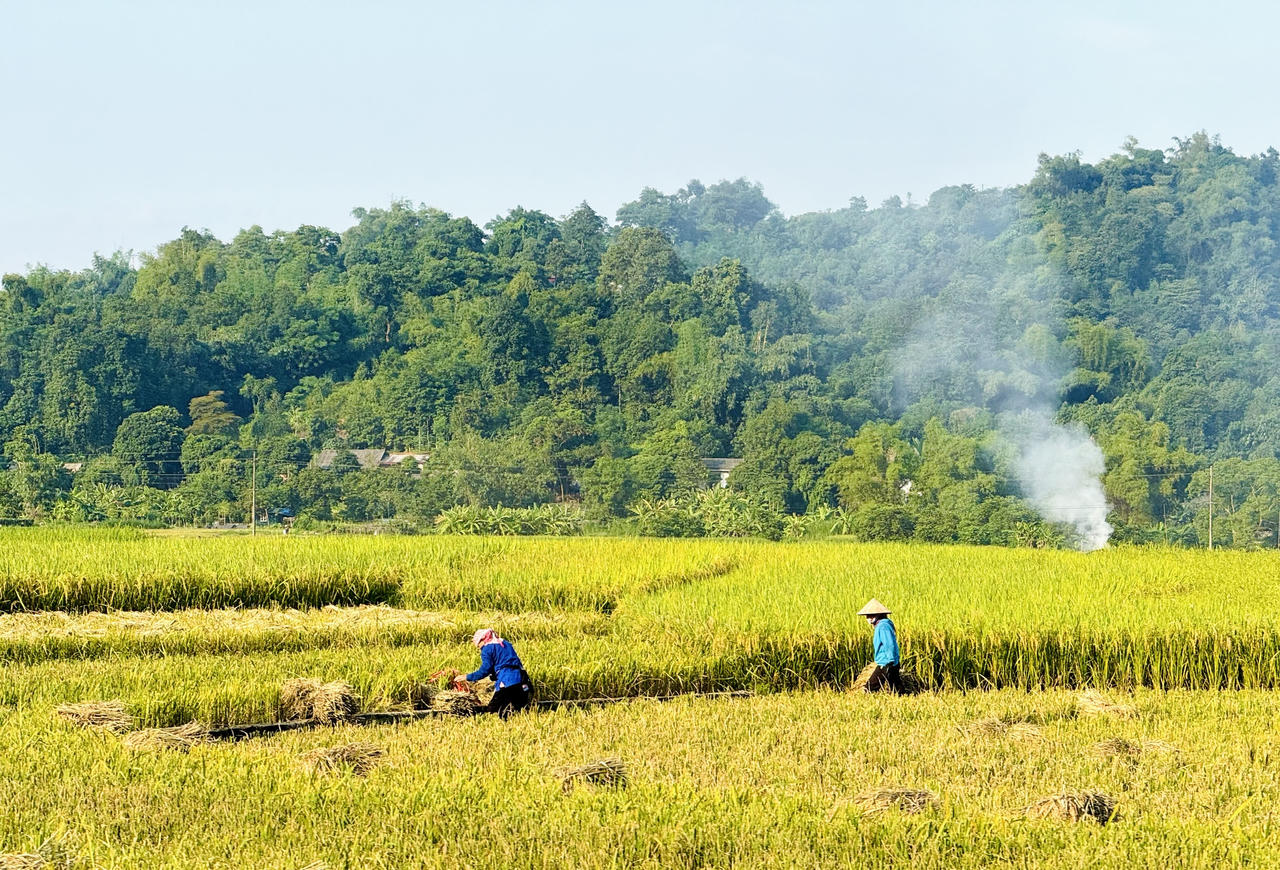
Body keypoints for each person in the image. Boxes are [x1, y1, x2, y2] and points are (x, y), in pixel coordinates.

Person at [459, 628, 533, 719]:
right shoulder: (505, 643)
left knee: (492, 709)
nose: (479, 647)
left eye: (478, 645)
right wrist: (493, 676)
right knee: (519, 710)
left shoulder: (487, 649)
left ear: (482, 640)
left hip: (507, 682)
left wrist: (467, 677)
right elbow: (507, 661)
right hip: (522, 679)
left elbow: (485, 670)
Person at [857, 598, 903, 693]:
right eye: (867, 615)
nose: (869, 618)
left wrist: (890, 661)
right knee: (896, 687)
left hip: (886, 661)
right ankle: (903, 699)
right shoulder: (882, 625)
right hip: (891, 661)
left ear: (878, 615)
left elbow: (889, 644)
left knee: (870, 688)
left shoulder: (883, 626)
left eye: (872, 615)